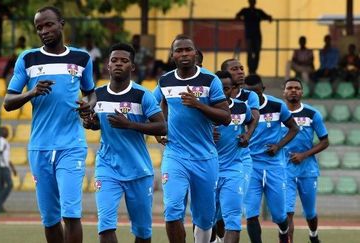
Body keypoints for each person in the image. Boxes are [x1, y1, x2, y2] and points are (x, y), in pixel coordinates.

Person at [3, 6, 96, 243]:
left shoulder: (82, 58)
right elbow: (8, 102)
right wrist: (32, 92)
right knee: (51, 219)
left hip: (71, 145)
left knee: (71, 214)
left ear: (61, 24)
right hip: (40, 147)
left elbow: (91, 93)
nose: (44, 30)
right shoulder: (28, 58)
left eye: (48, 24)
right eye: (39, 27)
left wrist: (89, 105)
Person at [81, 43, 167, 243]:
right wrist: (91, 123)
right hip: (107, 168)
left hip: (138, 170)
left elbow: (162, 127)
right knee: (105, 227)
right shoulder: (98, 94)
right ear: (107, 66)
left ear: (132, 67)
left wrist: (129, 124)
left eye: (124, 60)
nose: (118, 64)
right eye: (114, 60)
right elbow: (96, 123)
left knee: (142, 234)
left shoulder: (142, 95)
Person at [156, 34, 231, 243]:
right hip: (175, 155)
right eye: (178, 50)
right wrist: (161, 129)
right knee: (172, 209)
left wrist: (198, 104)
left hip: (205, 157)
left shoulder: (209, 80)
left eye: (187, 49)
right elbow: (156, 105)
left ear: (195, 53)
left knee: (205, 219)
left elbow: (226, 117)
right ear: (172, 55)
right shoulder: (165, 80)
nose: (183, 54)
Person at [243, 74, 299, 243]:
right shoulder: (241, 107)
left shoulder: (276, 105)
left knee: (279, 214)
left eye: (255, 92)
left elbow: (294, 128)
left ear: (263, 90)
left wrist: (278, 146)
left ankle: (283, 232)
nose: (252, 96)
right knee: (251, 213)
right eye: (248, 92)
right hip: (250, 165)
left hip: (274, 165)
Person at [216, 59, 259, 242]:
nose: (241, 72)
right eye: (235, 69)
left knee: (232, 212)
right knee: (208, 216)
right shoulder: (203, 104)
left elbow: (253, 118)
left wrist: (247, 135)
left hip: (238, 160)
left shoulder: (248, 99)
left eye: (242, 68)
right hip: (207, 164)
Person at [282, 78, 329, 243]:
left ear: (302, 92)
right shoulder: (278, 114)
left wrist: (304, 155)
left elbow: (325, 141)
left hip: (307, 169)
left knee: (310, 213)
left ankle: (313, 234)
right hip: (284, 170)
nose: (293, 90)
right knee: (286, 212)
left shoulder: (312, 113)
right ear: (284, 92)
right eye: (290, 88)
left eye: (297, 88)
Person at [236, 0, 272, 74]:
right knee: (249, 52)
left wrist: (267, 18)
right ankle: (251, 70)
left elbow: (268, 17)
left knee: (257, 52)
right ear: (249, 2)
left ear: (254, 2)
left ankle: (254, 70)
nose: (252, 3)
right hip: (249, 35)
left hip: (256, 36)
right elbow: (237, 16)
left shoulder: (258, 11)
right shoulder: (245, 11)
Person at [0, 126, 17, 213]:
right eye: (5, 131)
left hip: (4, 166)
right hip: (3, 167)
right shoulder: (1, 140)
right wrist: (4, 164)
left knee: (1, 187)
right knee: (10, 185)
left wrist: (12, 168)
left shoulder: (5, 141)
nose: (7, 132)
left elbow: (6, 157)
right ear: (1, 132)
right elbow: (0, 152)